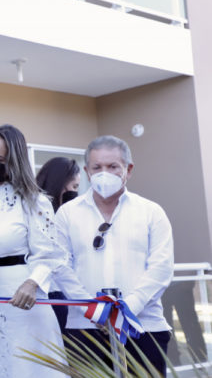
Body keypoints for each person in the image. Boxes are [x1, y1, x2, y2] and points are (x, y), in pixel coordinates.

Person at [53, 135, 173, 375]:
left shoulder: (151, 212)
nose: (104, 173)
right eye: (97, 167)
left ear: (128, 169)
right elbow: (60, 266)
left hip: (143, 327)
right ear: (87, 171)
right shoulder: (67, 214)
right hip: (84, 329)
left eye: (113, 166)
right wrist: (93, 310)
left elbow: (161, 268)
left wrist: (125, 310)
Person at [0, 124, 66, 378]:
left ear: (13, 163)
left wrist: (33, 283)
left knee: (22, 366)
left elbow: (51, 254)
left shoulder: (34, 201)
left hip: (20, 298)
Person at [36, 156, 81, 334]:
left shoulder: (70, 215)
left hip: (65, 292)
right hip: (51, 292)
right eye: (74, 187)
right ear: (60, 183)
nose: (75, 192)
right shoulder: (41, 210)